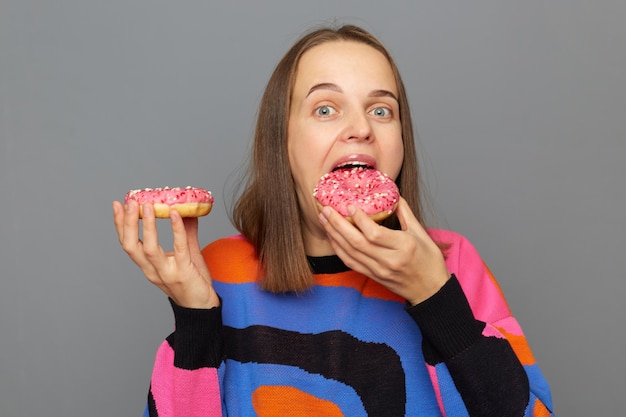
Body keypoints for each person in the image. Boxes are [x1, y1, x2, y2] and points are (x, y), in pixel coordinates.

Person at [113, 24, 554, 417]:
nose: (361, 128)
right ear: (282, 140)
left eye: (382, 110)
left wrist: (434, 297)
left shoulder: (450, 263)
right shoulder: (221, 273)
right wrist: (195, 319)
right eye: (326, 108)